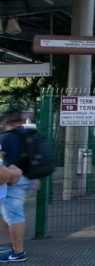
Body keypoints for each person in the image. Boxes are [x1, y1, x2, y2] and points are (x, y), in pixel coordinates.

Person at [0, 107, 36, 262]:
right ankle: (14, 248)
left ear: (7, 122)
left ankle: (18, 252)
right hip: (27, 178)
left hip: (12, 179)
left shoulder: (6, 138)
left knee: (13, 216)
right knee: (12, 215)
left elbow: (2, 161)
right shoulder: (28, 136)